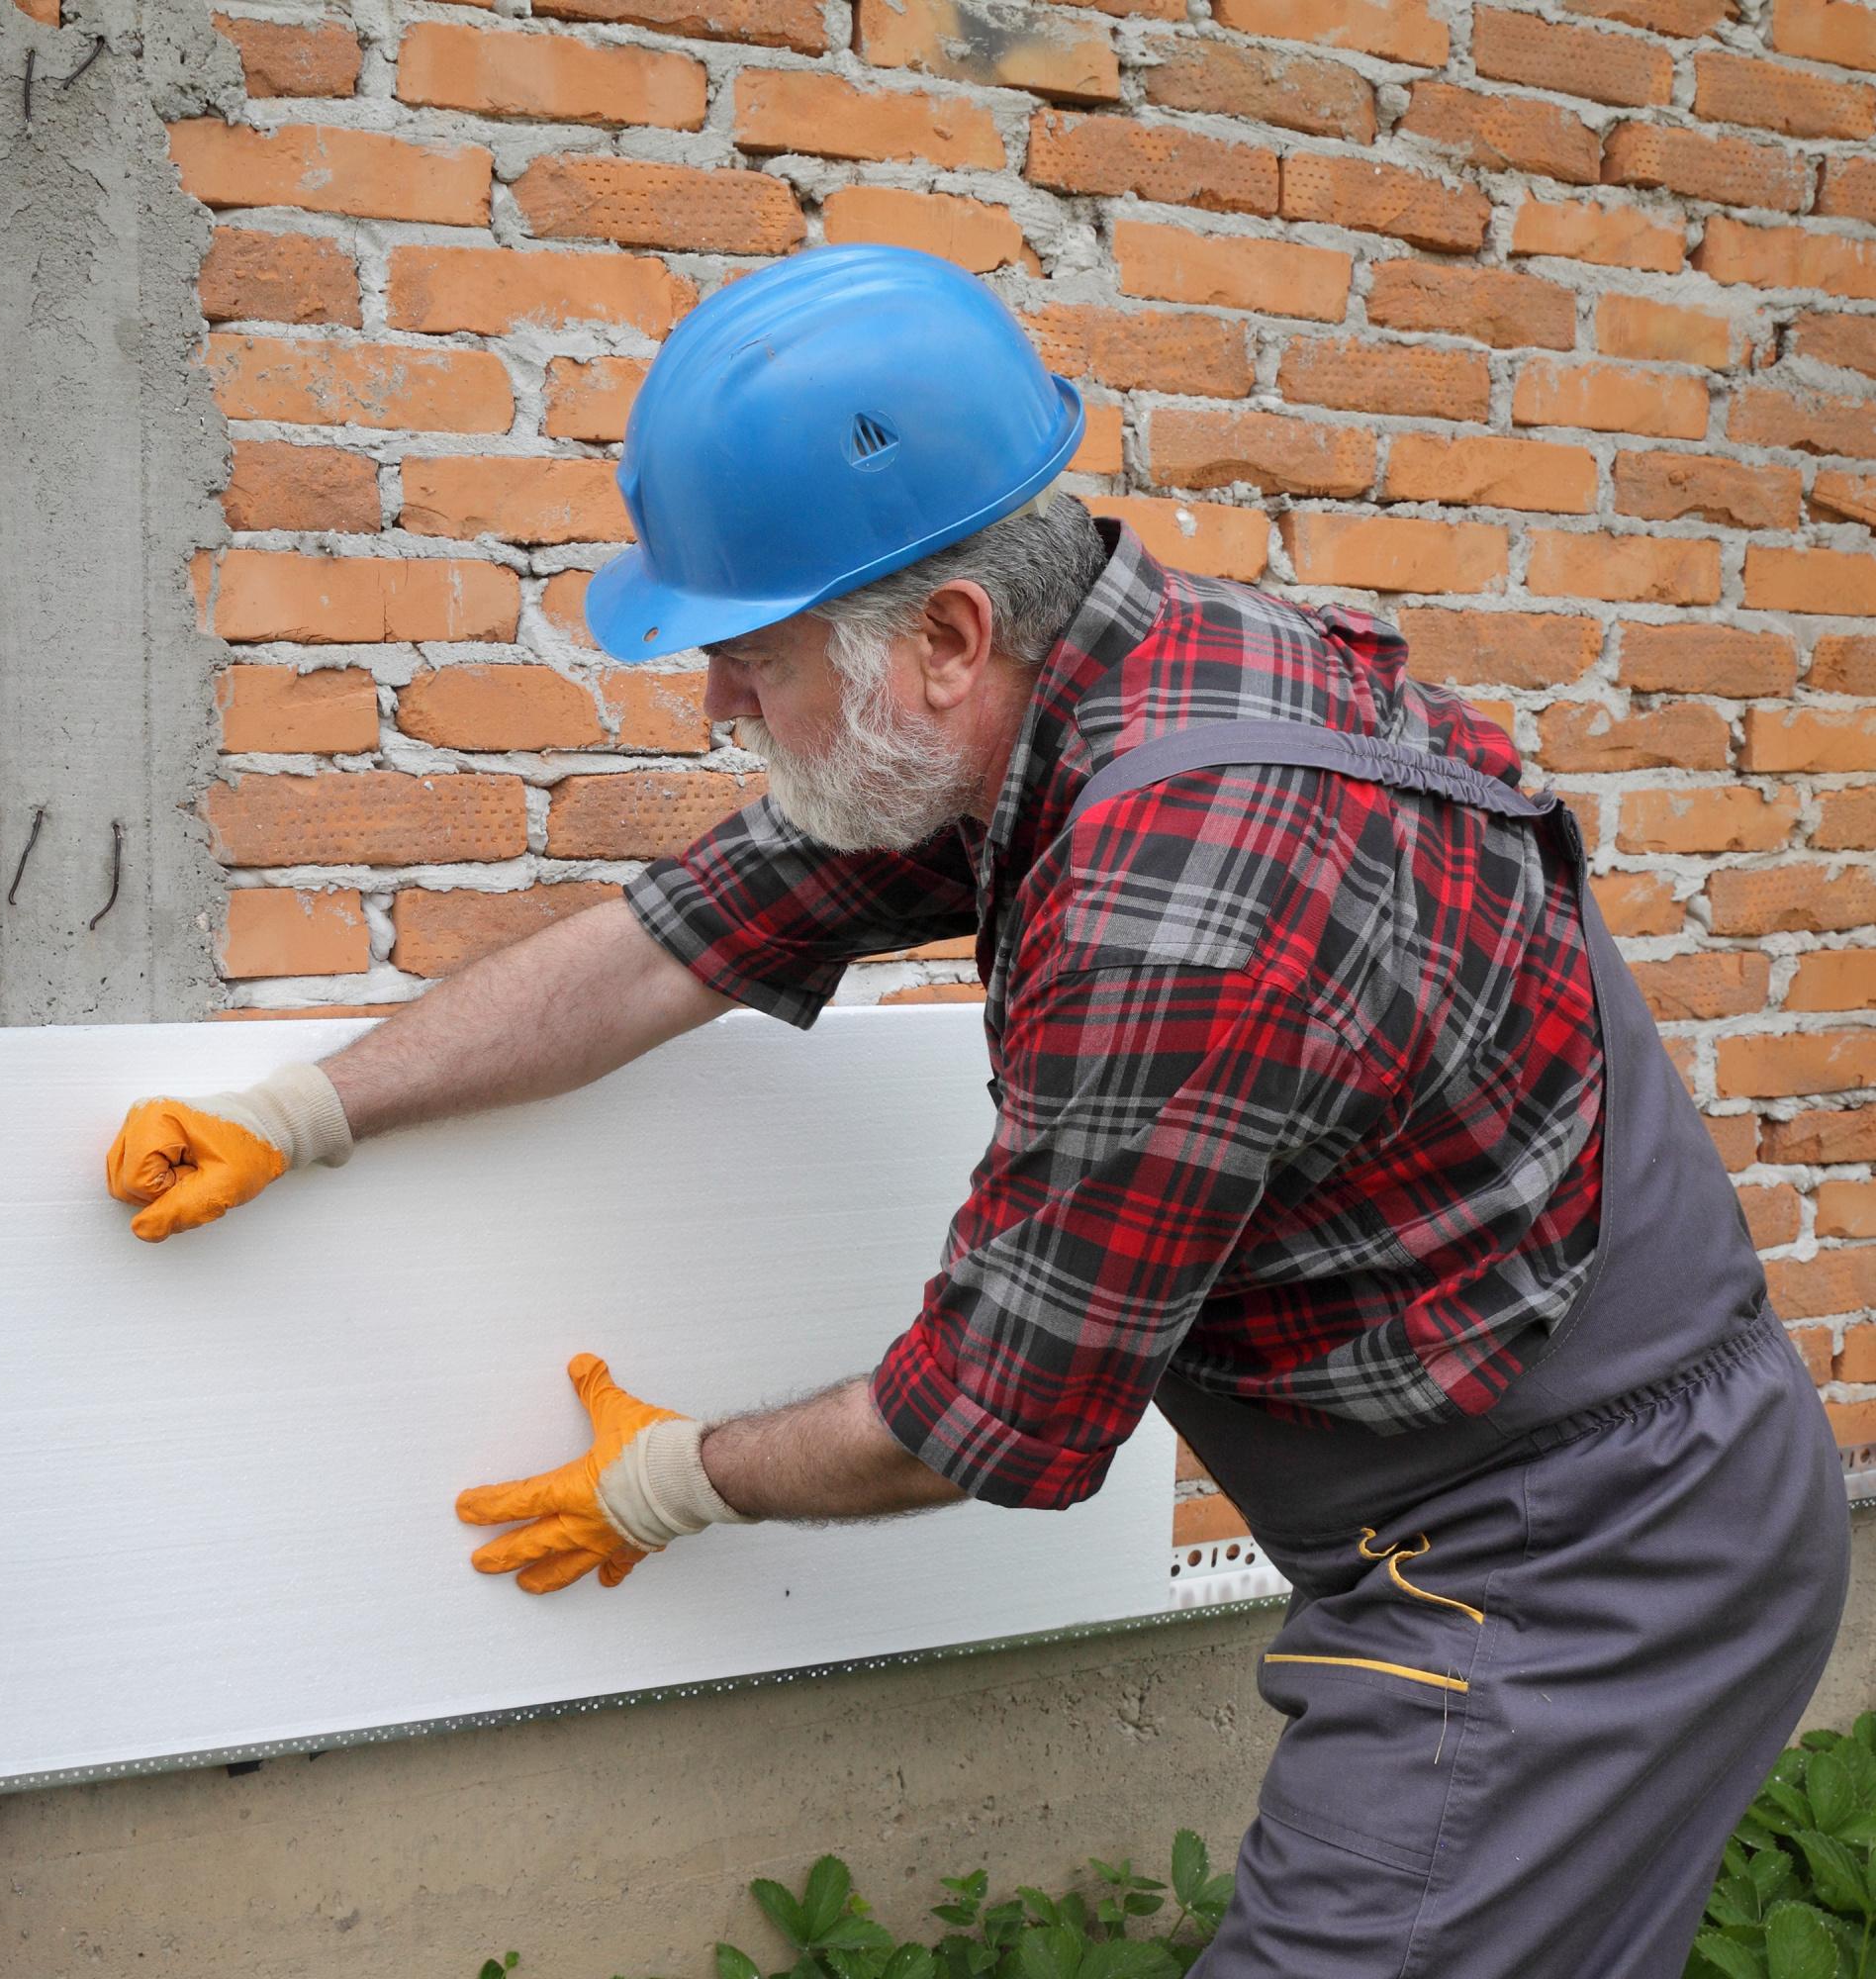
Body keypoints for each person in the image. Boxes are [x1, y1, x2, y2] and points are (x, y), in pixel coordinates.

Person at [101, 244, 1848, 1977]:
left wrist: (664, 1485)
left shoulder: (1176, 895)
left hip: (1573, 1563)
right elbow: (669, 947)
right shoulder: (1072, 681)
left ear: (943, 634)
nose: (715, 701)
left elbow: (985, 1417)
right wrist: (300, 1112)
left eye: (750, 654)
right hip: (1591, 1490)